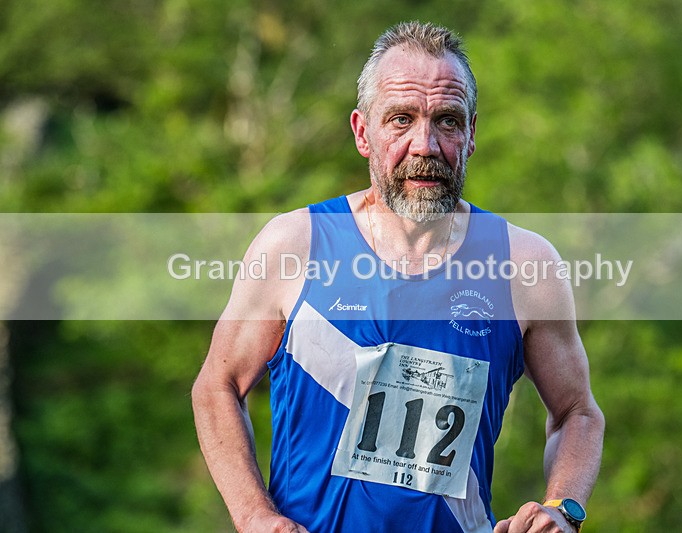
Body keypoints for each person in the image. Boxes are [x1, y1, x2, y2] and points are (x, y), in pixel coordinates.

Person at [192, 21, 604, 533]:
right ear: (363, 132)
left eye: (447, 121)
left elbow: (577, 413)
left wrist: (562, 509)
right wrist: (254, 515)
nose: (424, 145)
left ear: (472, 134)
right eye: (401, 119)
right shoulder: (294, 245)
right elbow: (217, 386)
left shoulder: (525, 265)